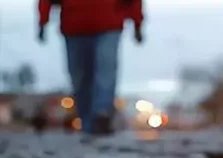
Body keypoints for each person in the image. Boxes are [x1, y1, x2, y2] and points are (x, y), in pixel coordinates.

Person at [38, 0, 144, 136]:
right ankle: (88, 121)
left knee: (105, 71)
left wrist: (137, 22)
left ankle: (101, 114)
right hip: (74, 25)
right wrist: (42, 20)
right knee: (80, 77)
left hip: (108, 24)